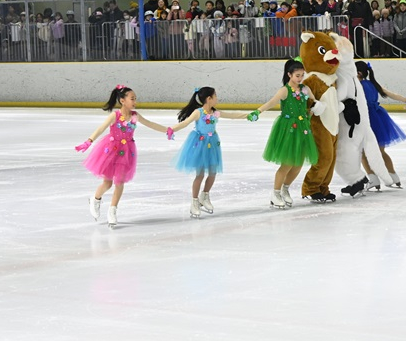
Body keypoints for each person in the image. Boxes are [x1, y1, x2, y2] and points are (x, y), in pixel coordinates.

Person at [75, 85, 170, 228]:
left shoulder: (135, 116)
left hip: (126, 153)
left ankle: (112, 210)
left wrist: (167, 130)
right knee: (107, 183)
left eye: (135, 99)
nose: (135, 101)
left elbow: (150, 124)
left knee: (120, 182)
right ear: (122, 100)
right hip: (111, 150)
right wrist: (88, 141)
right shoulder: (115, 115)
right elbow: (101, 128)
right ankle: (95, 199)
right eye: (132, 99)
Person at [247, 59, 324, 209]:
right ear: (289, 74)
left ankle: (285, 188)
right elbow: (270, 103)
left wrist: (315, 108)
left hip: (303, 127)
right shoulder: (284, 90)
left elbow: (314, 102)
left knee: (299, 163)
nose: (300, 78)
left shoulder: (305, 88)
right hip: (289, 128)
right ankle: (275, 193)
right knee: (288, 162)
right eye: (297, 75)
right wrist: (258, 111)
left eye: (302, 75)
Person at [167, 86, 247, 218]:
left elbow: (232, 115)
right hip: (200, 144)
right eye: (215, 96)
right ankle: (194, 202)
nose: (217, 99)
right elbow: (185, 123)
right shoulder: (198, 112)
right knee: (200, 174)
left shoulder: (215, 112)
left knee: (213, 172)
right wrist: (172, 129)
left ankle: (204, 195)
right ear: (209, 99)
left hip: (213, 143)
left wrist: (249, 115)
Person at [355, 61, 406, 190]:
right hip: (379, 116)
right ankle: (394, 177)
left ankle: (373, 179)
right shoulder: (373, 84)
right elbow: (392, 94)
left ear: (358, 73)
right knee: (381, 152)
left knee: (363, 152)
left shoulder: (357, 86)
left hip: (367, 119)